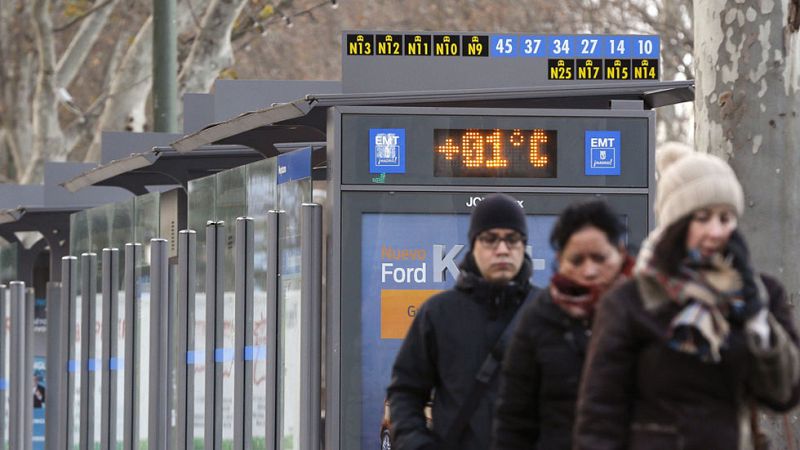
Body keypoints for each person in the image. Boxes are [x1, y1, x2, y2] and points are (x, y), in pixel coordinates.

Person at [573, 145, 800, 449]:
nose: (716, 231)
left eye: (725, 218)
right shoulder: (630, 301)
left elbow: (785, 394)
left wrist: (758, 319)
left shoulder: (762, 294)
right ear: (676, 225)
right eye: (702, 218)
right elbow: (600, 414)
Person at [387, 193, 538, 450]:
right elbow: (405, 393)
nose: (502, 249)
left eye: (512, 239)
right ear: (473, 244)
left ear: (523, 246)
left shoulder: (549, 312)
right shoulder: (438, 314)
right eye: (490, 239)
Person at [492, 199, 633, 450]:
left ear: (620, 253)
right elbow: (513, 421)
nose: (589, 271)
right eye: (577, 260)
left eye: (599, 258)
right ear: (560, 260)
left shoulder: (647, 313)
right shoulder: (539, 319)